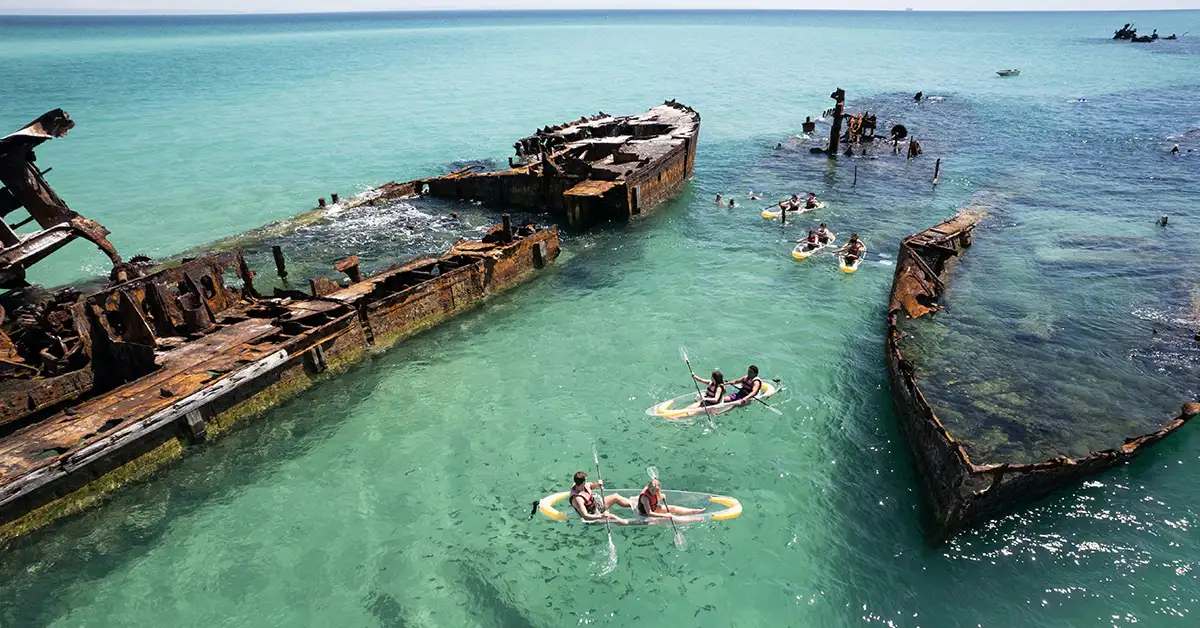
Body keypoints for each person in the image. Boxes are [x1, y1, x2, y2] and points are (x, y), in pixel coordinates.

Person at [637, 478, 705, 519]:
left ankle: (694, 511)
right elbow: (649, 513)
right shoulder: (645, 498)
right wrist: (664, 516)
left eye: (656, 490)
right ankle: (696, 519)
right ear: (649, 488)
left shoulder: (655, 488)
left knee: (673, 508)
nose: (654, 493)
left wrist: (661, 496)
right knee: (672, 518)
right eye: (652, 490)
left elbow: (657, 494)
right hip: (645, 515)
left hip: (653, 507)